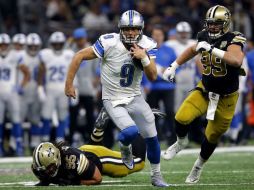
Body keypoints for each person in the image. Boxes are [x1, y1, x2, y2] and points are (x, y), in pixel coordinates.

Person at [65, 10, 168, 187]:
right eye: (127, 29)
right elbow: (79, 55)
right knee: (130, 132)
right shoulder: (109, 42)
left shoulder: (147, 44)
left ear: (141, 29)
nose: (131, 33)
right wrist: (69, 84)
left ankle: (156, 175)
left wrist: (144, 57)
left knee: (152, 137)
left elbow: (152, 76)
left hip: (135, 97)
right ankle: (124, 148)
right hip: (112, 99)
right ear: (121, 29)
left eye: (135, 29)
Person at [162, 5, 246, 183]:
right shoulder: (203, 35)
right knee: (181, 117)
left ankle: (198, 166)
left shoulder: (235, 38)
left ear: (225, 23)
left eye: (217, 24)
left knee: (212, 136)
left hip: (227, 97)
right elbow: (193, 49)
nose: (212, 27)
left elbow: (236, 60)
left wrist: (211, 49)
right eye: (210, 23)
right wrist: (174, 66)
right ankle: (181, 142)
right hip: (205, 89)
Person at [38, 31, 74, 142]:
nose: (57, 46)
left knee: (62, 116)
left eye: (60, 43)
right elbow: (41, 72)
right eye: (55, 43)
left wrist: (74, 87)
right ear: (51, 44)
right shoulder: (46, 54)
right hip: (50, 88)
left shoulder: (69, 55)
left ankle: (60, 141)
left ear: (63, 43)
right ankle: (44, 140)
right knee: (46, 115)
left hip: (63, 89)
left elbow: (72, 73)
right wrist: (40, 87)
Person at [0, 33, 30, 156]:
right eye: (1, 44)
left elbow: (27, 73)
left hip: (12, 92)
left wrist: (20, 86)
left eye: (5, 44)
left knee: (16, 120)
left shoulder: (15, 56)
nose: (3, 46)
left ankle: (18, 146)